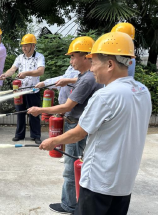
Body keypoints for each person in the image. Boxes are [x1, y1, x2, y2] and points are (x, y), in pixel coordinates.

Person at [38, 32, 151, 215]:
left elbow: (79, 133)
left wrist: (52, 141)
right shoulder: (142, 91)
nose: (91, 69)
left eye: (94, 63)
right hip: (125, 182)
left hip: (99, 182)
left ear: (109, 64)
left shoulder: (106, 96)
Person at [28, 36, 103, 214]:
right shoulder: (87, 76)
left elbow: (68, 106)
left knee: (70, 167)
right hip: (81, 124)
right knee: (80, 163)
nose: (71, 61)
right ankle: (78, 202)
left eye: (73, 56)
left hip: (76, 125)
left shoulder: (87, 79)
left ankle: (69, 205)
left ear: (86, 57)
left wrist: (40, 109)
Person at [0, 34, 44, 144]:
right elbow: (13, 69)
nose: (24, 48)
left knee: (34, 113)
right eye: (22, 46)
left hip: (33, 90)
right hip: (20, 91)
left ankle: (36, 135)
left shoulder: (39, 57)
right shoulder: (19, 57)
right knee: (20, 112)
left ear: (33, 45)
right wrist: (5, 74)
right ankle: (19, 134)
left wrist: (26, 73)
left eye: (26, 45)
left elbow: (40, 71)